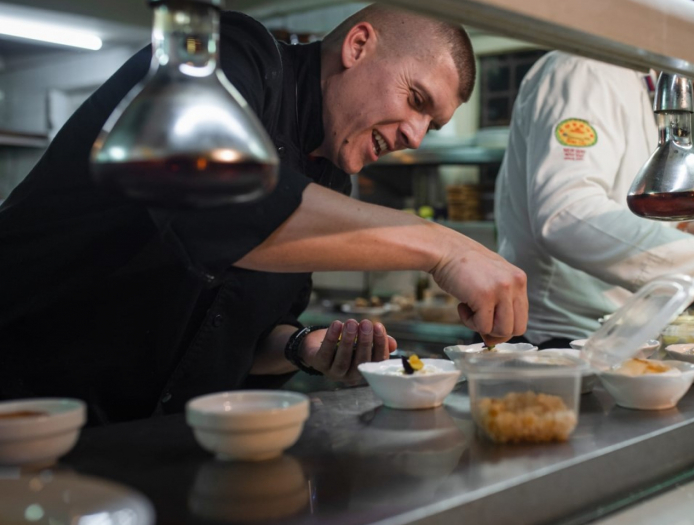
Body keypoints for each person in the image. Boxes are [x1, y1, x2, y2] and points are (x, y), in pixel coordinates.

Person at [0, 5, 528, 424]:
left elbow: (238, 328)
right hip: (25, 407)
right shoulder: (234, 55)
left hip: (145, 442)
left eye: (430, 125)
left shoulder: (328, 179)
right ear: (358, 44)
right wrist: (443, 246)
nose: (413, 135)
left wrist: (302, 348)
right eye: (415, 98)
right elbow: (207, 206)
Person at [495, 46, 694, 347]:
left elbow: (612, 211)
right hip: (557, 340)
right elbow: (566, 215)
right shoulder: (587, 70)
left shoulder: (640, 85)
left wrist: (688, 235)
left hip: (621, 333)